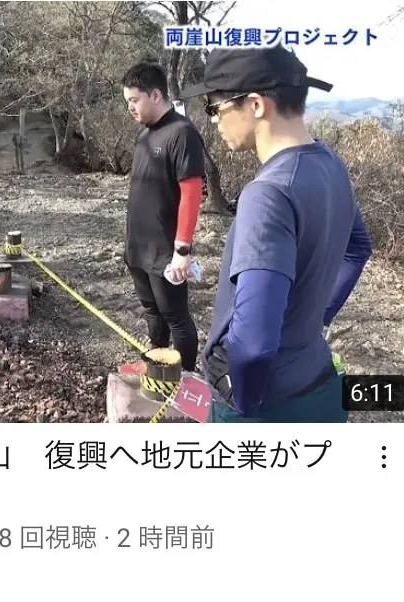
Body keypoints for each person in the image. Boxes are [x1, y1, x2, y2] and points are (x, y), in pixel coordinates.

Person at [179, 45, 373, 422]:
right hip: (321, 388)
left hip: (270, 407)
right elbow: (358, 249)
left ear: (255, 105)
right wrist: (317, 317)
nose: (214, 120)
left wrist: (243, 401)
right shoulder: (331, 165)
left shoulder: (268, 193)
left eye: (215, 106)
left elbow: (252, 346)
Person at [121, 61, 206, 372]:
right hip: (138, 246)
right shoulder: (144, 133)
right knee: (152, 313)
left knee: (176, 318)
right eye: (127, 101)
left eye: (134, 100)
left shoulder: (182, 133)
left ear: (155, 95)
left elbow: (192, 194)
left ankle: (186, 380)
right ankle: (158, 371)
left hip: (165, 251)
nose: (130, 108)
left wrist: (182, 250)